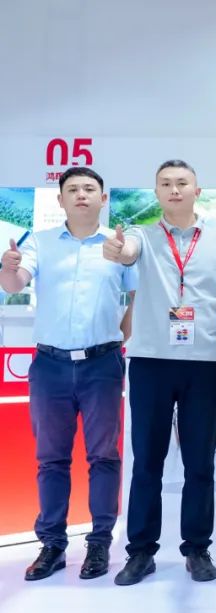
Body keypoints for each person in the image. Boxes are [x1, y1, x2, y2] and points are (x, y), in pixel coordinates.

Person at [103, 160, 216, 585]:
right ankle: (141, 551)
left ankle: (197, 549)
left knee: (200, 463)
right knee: (148, 461)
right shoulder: (142, 235)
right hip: (150, 362)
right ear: (157, 193)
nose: (174, 189)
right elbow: (127, 252)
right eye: (165, 184)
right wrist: (118, 250)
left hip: (203, 364)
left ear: (198, 190)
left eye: (182, 183)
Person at [0, 168, 136, 582]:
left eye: (89, 189)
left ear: (103, 198)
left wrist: (120, 336)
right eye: (72, 189)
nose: (81, 194)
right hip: (50, 366)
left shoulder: (117, 246)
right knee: (52, 458)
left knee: (104, 456)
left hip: (102, 365)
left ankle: (99, 543)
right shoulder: (39, 242)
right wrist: (8, 267)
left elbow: (137, 296)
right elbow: (13, 284)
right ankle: (53, 545)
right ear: (60, 200)